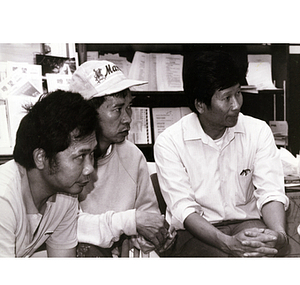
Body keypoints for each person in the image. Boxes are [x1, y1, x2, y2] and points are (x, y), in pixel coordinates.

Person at [154, 50, 290, 257]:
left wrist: (278, 235)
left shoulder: (258, 131)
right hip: (197, 231)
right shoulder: (169, 142)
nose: (236, 105)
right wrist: (228, 244)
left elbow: (270, 192)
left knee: (261, 254)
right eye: (226, 98)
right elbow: (185, 209)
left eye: (238, 93)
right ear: (200, 104)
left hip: (247, 222)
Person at [69, 60, 175, 257]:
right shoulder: (65, 158)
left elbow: (148, 214)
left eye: (129, 107)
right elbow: (66, 225)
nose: (128, 118)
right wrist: (129, 223)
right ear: (87, 114)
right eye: (117, 109)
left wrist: (146, 236)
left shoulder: (132, 155)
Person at [0, 90, 98, 257]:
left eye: (92, 154)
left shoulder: (66, 197)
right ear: (41, 157)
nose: (90, 169)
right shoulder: (4, 199)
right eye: (81, 156)